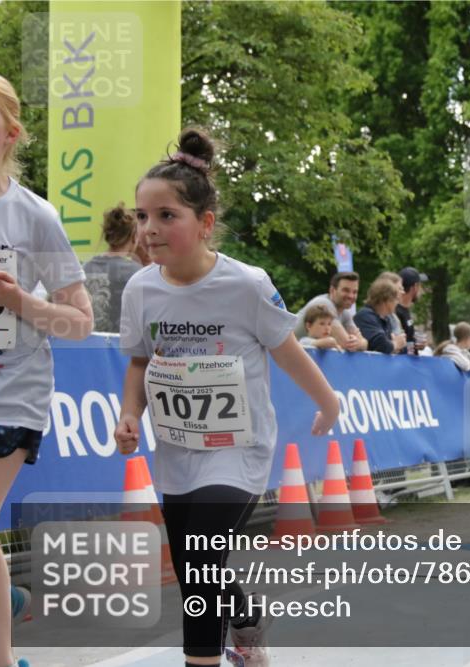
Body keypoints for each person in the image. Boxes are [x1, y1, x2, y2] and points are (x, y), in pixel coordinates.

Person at [115, 128, 340, 667]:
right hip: (177, 451)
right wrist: (129, 412)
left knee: (198, 559)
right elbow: (141, 362)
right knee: (202, 564)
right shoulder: (140, 289)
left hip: (239, 450)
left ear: (205, 223)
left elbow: (286, 351)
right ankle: (243, 619)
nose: (150, 229)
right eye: (143, 217)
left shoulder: (247, 284)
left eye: (167, 215)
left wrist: (328, 402)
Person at [0, 73, 94, 667]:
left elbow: (81, 322)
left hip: (11, 390)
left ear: (10, 132)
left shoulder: (34, 217)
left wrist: (20, 304)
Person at [82, 203, 144, 332]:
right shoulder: (137, 272)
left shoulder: (84, 268)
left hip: (87, 343)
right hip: (120, 347)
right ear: (134, 237)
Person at [292, 272, 367, 351]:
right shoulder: (324, 305)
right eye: (346, 290)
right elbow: (345, 343)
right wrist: (356, 342)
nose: (351, 296)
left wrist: (357, 343)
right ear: (332, 290)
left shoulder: (345, 313)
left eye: (354, 292)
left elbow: (365, 343)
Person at [352, 278, 406, 354]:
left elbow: (402, 348)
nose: (397, 303)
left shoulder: (386, 319)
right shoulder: (365, 316)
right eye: (396, 299)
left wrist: (395, 345)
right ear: (386, 300)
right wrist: (396, 344)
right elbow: (381, 344)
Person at [396, 267, 428, 355]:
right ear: (415, 287)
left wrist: (417, 344)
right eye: (421, 286)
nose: (422, 291)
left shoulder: (405, 310)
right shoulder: (396, 312)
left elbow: (408, 341)